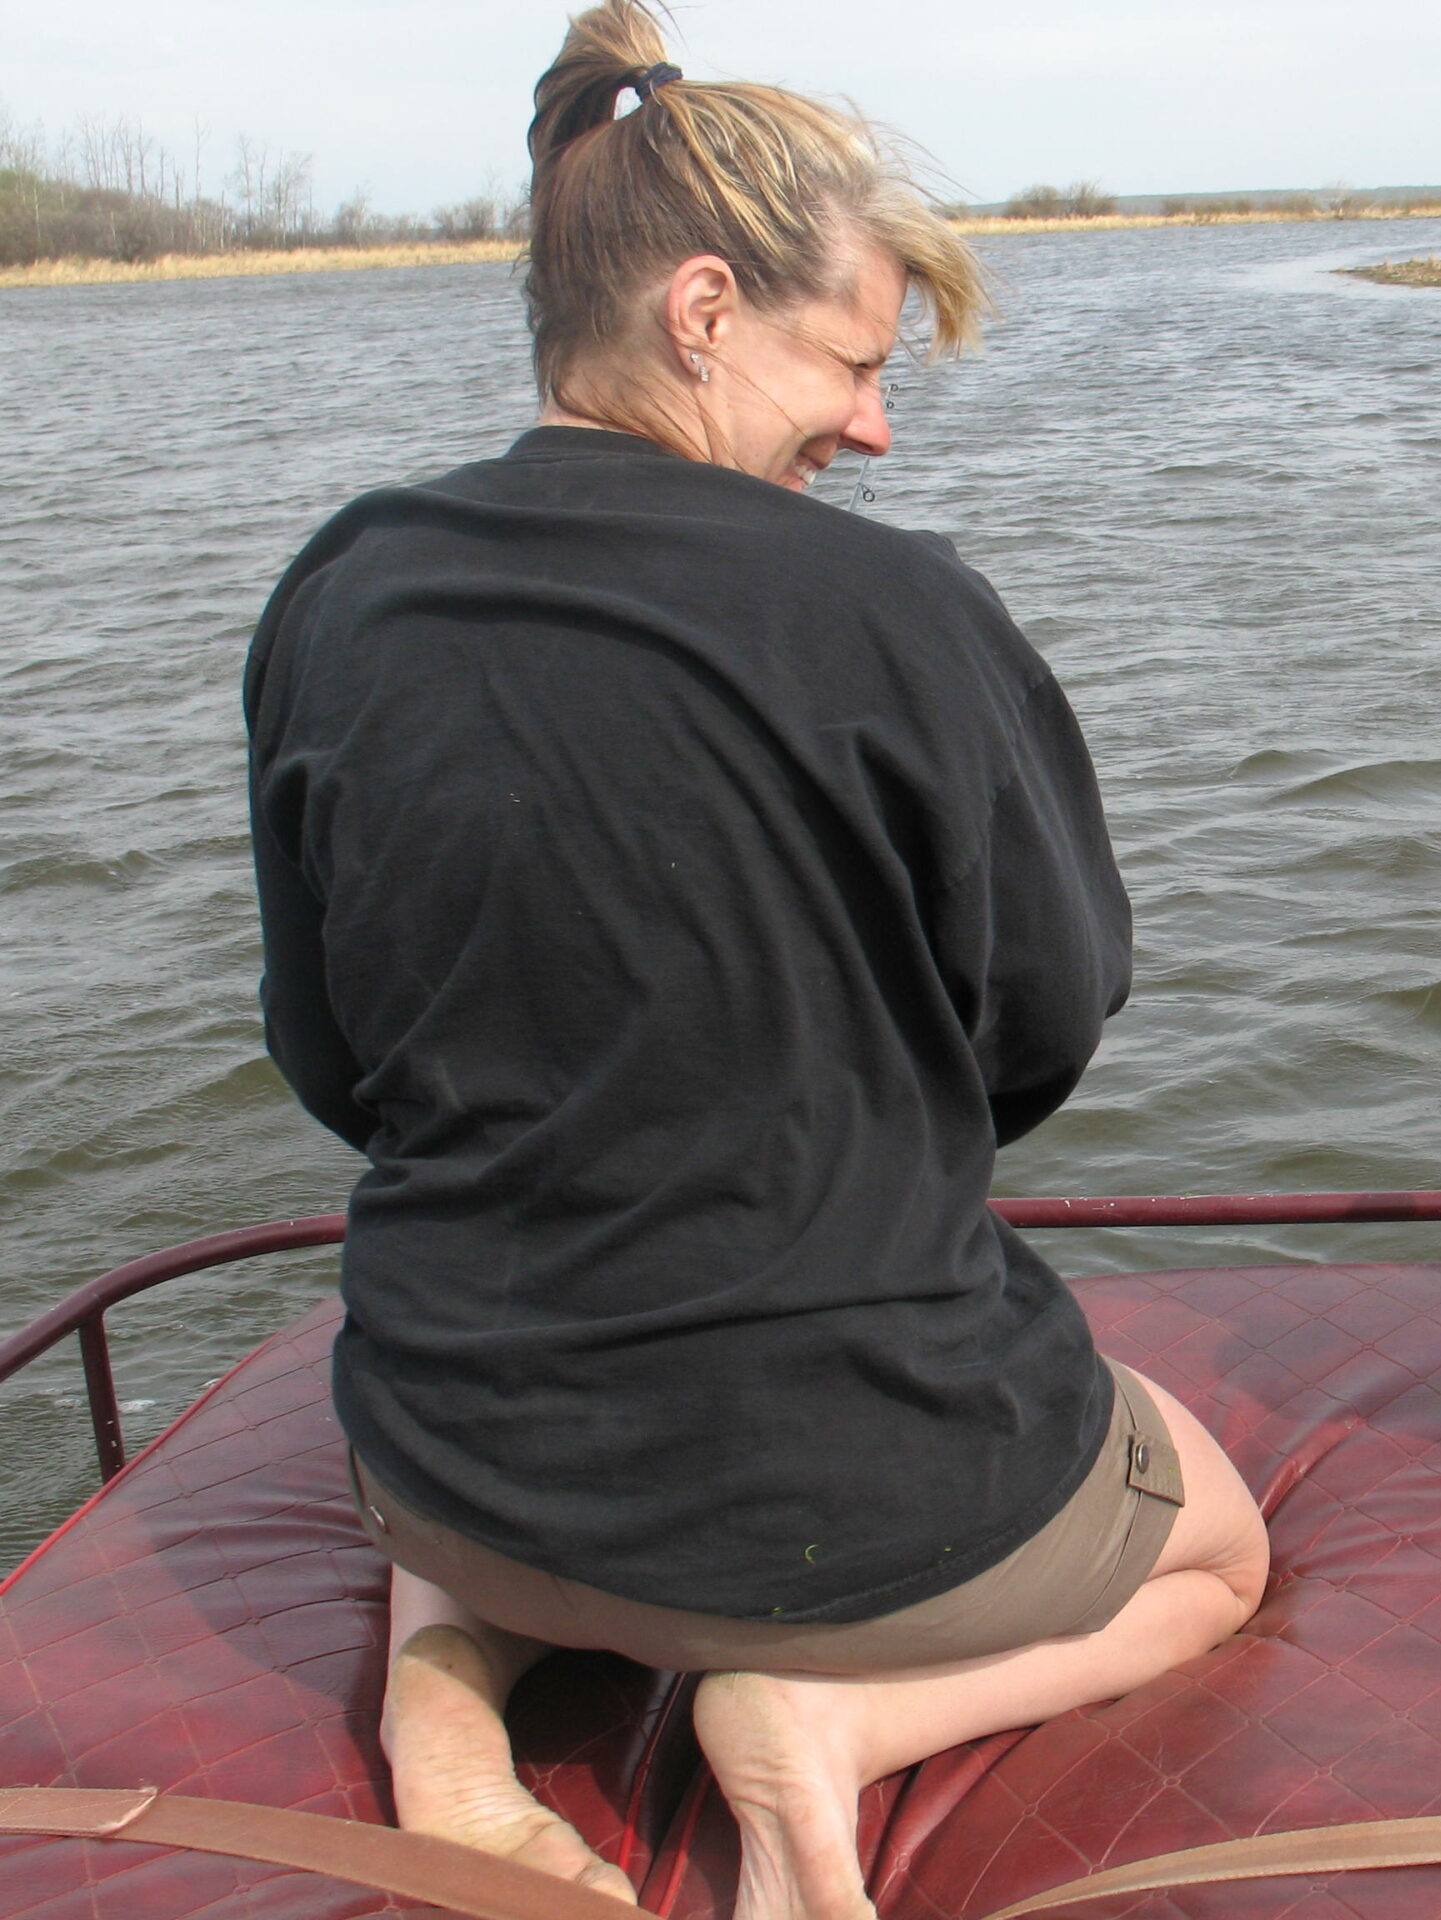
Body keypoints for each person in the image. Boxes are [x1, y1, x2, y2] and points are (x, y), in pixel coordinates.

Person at [243, 6, 1267, 1914]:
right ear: (703, 308)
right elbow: (1041, 1029)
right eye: (860, 362)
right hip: (865, 1525)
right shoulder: (903, 610)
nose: (874, 423)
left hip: (457, 1469)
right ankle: (827, 1726)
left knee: (495, 1439)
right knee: (1217, 1550)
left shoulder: (335, 589)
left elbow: (332, 1060)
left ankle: (445, 1697)